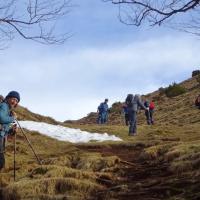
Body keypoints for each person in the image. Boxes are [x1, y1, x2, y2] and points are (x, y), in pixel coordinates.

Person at [0, 91, 20, 170]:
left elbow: (3, 127)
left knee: (1, 162)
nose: (14, 102)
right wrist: (13, 118)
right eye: (13, 99)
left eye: (16, 101)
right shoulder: (4, 106)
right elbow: (1, 118)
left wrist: (11, 130)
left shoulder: (8, 110)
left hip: (2, 137)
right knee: (1, 162)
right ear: (8, 98)